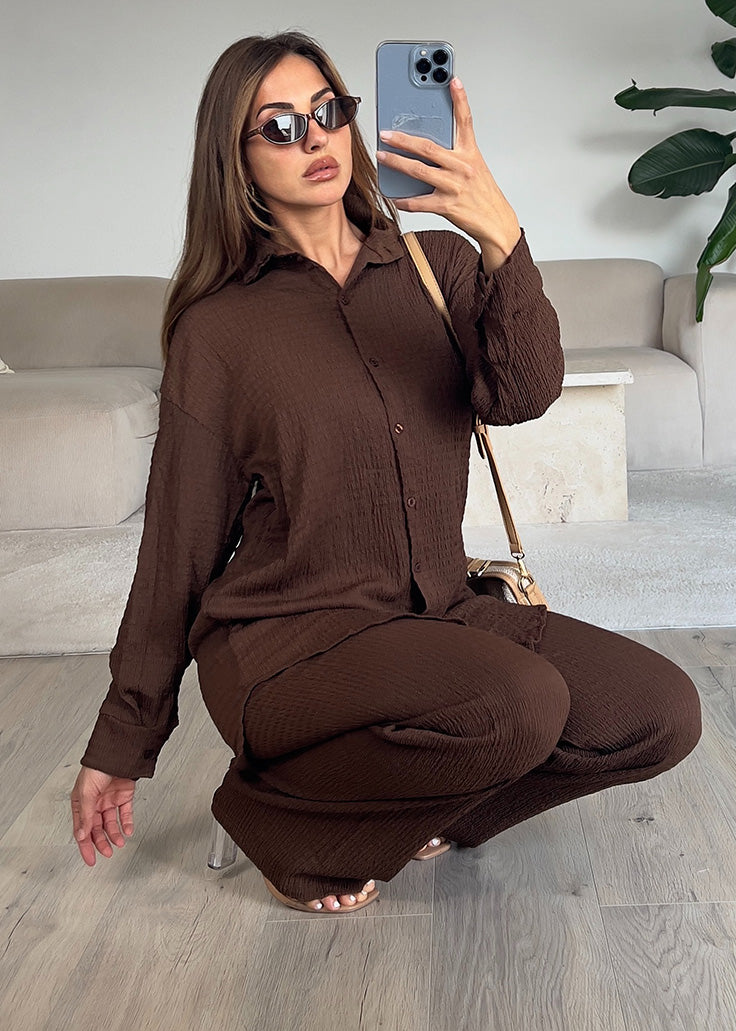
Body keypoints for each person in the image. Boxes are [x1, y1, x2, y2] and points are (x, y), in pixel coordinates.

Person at [69, 31, 702, 916]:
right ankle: (281, 821)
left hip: (438, 613)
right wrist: (122, 741)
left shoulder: (438, 268)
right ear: (236, 159)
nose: (315, 138)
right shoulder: (219, 330)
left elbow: (525, 393)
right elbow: (176, 549)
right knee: (517, 702)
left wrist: (500, 234)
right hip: (287, 644)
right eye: (279, 126)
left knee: (661, 710)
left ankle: (416, 807)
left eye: (328, 111)